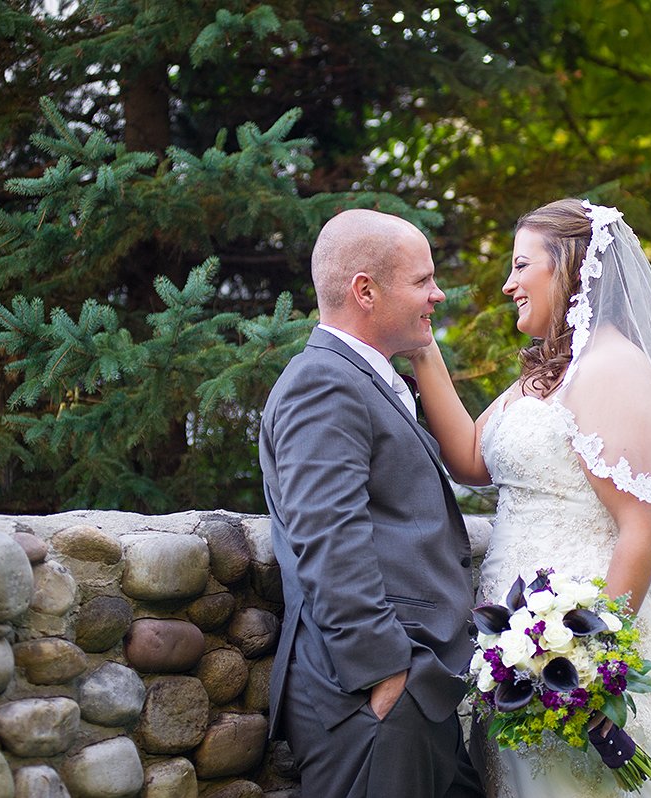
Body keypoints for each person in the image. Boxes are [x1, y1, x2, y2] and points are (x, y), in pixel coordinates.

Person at [408, 198, 651, 797]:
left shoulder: (612, 369)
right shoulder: (547, 376)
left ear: (568, 265)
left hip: (572, 649)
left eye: (520, 265)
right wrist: (421, 344)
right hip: (516, 650)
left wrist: (587, 666)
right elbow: (469, 458)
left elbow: (645, 527)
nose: (508, 283)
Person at [259, 209, 484, 798]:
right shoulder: (322, 382)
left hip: (412, 693)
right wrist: (387, 673)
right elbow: (328, 538)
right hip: (368, 698)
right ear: (365, 290)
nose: (437, 295)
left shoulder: (364, 376)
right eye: (421, 281)